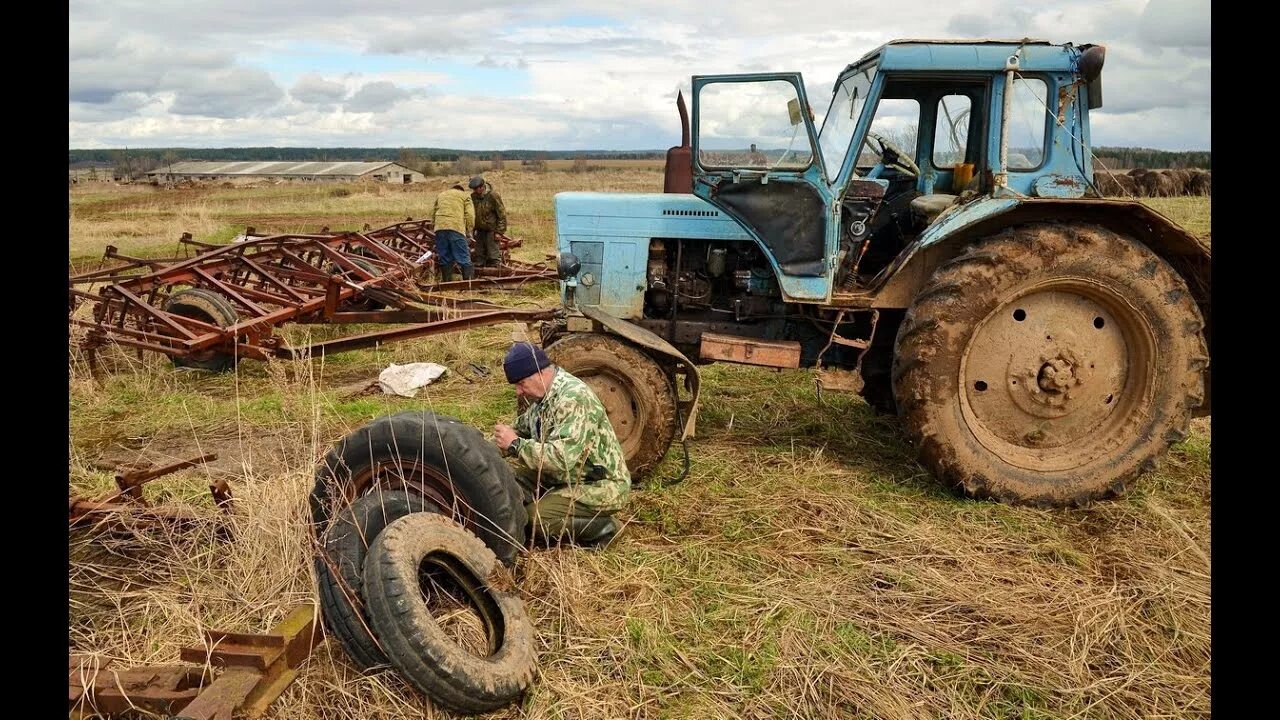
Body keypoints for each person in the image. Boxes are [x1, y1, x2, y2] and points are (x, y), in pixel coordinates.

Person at [492, 342, 629, 547]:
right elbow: (521, 428)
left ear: (538, 373)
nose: (519, 392)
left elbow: (560, 460)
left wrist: (516, 445)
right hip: (564, 476)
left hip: (597, 485)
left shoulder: (573, 398)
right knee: (505, 482)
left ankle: (606, 528)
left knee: (535, 521)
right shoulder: (544, 397)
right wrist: (482, 449)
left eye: (521, 384)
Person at [430, 180, 475, 281]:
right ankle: (469, 284)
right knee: (463, 256)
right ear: (461, 190)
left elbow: (433, 212)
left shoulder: (441, 195)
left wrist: (435, 226)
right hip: (456, 227)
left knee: (444, 257)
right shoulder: (465, 196)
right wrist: (469, 230)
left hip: (440, 228)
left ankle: (447, 282)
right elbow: (470, 215)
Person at [468, 176, 508, 268]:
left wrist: (499, 232)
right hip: (479, 230)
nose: (474, 191)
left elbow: (502, 215)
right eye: (473, 189)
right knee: (479, 255)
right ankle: (480, 272)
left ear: (482, 187)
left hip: (491, 230)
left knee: (493, 255)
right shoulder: (473, 197)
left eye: (475, 189)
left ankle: (496, 272)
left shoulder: (493, 196)